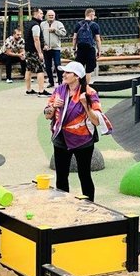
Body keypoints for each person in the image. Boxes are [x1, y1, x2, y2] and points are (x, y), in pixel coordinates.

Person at [45, 61, 108, 201]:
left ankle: (89, 205)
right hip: (61, 139)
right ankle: (64, 205)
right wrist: (53, 107)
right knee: (61, 176)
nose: (64, 74)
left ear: (77, 76)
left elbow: (97, 121)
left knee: (84, 175)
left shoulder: (89, 93)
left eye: (68, 72)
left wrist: (86, 105)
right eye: (64, 72)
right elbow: (47, 115)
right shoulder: (59, 90)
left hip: (83, 140)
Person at [25, 7, 49, 96]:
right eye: (41, 13)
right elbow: (36, 39)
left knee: (28, 69)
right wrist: (39, 52)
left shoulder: (28, 24)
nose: (42, 15)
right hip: (34, 51)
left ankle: (28, 90)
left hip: (28, 50)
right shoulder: (35, 25)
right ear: (36, 14)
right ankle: (41, 91)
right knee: (40, 69)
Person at [73, 7, 102, 77]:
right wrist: (99, 50)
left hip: (80, 49)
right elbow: (98, 39)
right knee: (88, 70)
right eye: (94, 15)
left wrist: (74, 49)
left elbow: (74, 38)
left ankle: (80, 83)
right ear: (91, 15)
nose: (94, 17)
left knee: (79, 69)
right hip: (90, 49)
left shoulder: (78, 24)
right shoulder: (95, 25)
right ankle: (87, 84)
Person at [40, 9, 66, 80]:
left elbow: (64, 33)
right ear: (46, 16)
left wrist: (55, 30)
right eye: (49, 15)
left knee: (57, 64)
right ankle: (51, 81)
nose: (51, 16)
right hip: (46, 48)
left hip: (56, 48)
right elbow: (40, 36)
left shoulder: (59, 23)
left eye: (52, 15)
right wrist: (43, 45)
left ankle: (60, 80)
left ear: (54, 16)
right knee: (48, 66)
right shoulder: (42, 24)